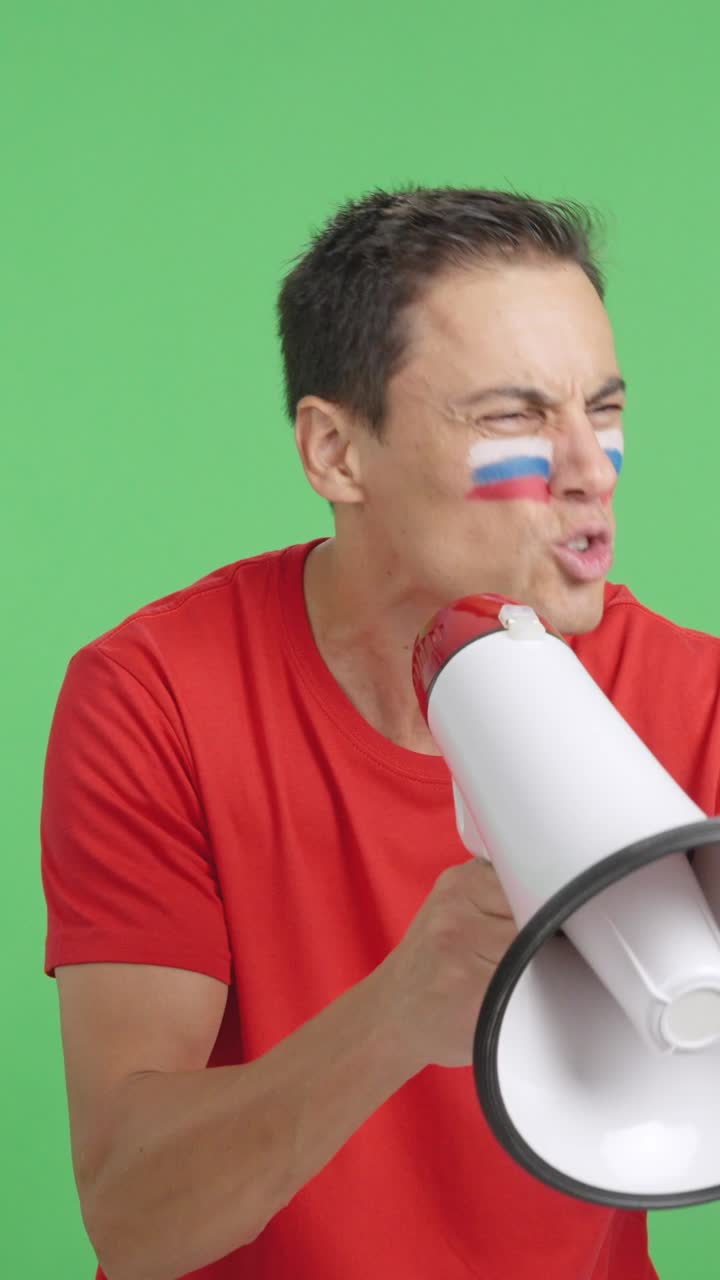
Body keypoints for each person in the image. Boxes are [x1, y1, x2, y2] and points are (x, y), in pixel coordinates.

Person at [40, 185, 720, 1280]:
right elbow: (133, 1212)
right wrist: (398, 1016)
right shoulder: (155, 697)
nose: (589, 469)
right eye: (512, 418)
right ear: (337, 454)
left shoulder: (693, 697)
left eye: (603, 407)